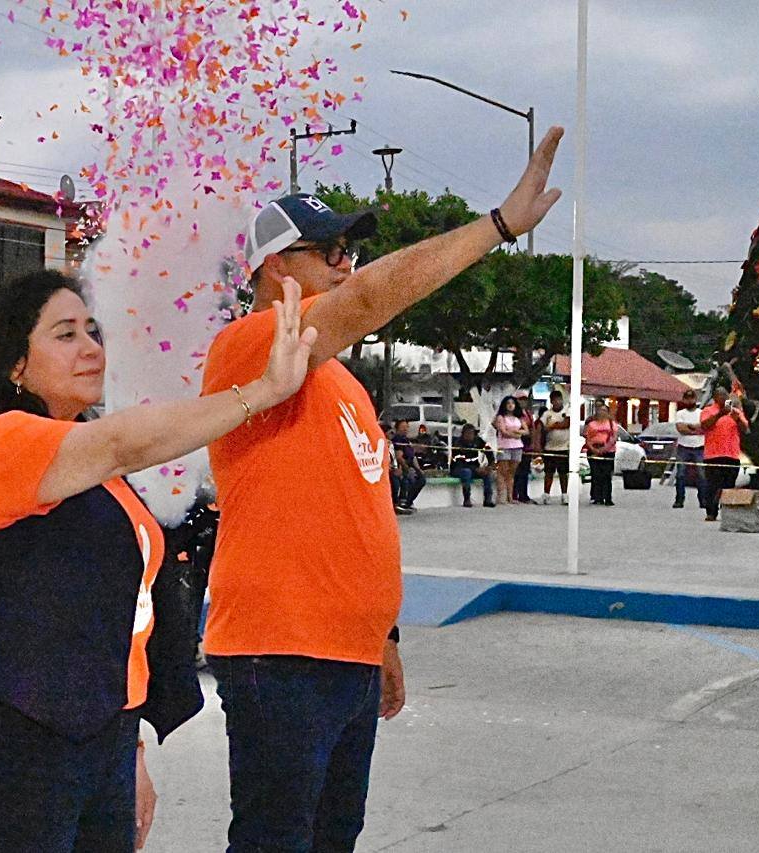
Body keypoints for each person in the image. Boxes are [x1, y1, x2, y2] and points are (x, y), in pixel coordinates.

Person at [202, 127, 564, 852]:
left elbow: (357, 513)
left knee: (335, 836)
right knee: (278, 839)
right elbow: (367, 300)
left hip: (346, 655)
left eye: (350, 251)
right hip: (280, 652)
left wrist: (382, 637)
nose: (346, 264)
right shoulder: (250, 347)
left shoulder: (341, 383)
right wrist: (496, 227)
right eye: (329, 250)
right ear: (275, 266)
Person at [0, 270, 318, 852]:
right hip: (18, 745)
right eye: (65, 335)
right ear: (14, 363)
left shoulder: (90, 468)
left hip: (102, 739)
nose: (92, 347)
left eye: (93, 330)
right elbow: (126, 441)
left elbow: (121, 621)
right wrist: (263, 390)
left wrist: (131, 749)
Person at [700, 385, 749, 522]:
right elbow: (705, 426)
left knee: (729, 485)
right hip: (713, 455)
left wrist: (737, 419)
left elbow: (746, 430)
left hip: (731, 455)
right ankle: (711, 512)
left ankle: (727, 511)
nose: (724, 398)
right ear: (715, 398)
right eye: (721, 396)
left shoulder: (735, 412)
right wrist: (720, 414)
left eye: (726, 396)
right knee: (712, 485)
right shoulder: (708, 411)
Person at [672, 388, 707, 510]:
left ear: (695, 399)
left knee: (702, 475)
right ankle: (679, 500)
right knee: (680, 474)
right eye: (687, 398)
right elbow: (681, 429)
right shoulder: (680, 413)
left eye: (691, 398)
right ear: (684, 400)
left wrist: (691, 429)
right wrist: (696, 429)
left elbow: (705, 428)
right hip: (683, 447)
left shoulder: (701, 413)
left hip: (699, 447)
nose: (689, 400)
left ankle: (703, 500)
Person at [493, 395, 529, 505]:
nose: (510, 405)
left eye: (512, 403)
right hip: (504, 446)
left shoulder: (519, 418)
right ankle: (502, 496)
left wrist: (515, 432)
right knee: (502, 471)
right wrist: (516, 433)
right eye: (508, 403)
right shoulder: (500, 417)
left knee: (511, 473)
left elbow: (526, 431)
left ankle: (510, 496)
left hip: (517, 446)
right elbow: (503, 431)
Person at [450, 424, 496, 507]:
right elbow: (459, 462)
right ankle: (467, 499)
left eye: (472, 433)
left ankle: (488, 499)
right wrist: (476, 469)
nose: (470, 436)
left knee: (487, 473)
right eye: (467, 433)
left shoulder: (478, 441)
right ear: (463, 434)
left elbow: (489, 451)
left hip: (474, 468)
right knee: (466, 472)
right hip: (458, 468)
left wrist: (490, 465)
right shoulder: (457, 443)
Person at [540, 390, 571, 505]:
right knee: (548, 473)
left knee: (563, 473)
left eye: (559, 399)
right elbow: (542, 427)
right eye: (554, 400)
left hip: (564, 448)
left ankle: (564, 495)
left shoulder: (567, 411)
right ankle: (546, 495)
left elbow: (566, 424)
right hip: (549, 447)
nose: (557, 402)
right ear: (551, 401)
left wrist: (553, 425)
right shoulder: (547, 414)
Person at [584, 401, 618, 506]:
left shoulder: (612, 424)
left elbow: (614, 437)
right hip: (593, 450)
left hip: (608, 451)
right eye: (600, 410)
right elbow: (587, 438)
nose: (602, 412)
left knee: (607, 475)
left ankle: (607, 497)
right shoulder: (591, 424)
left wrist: (605, 449)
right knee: (596, 474)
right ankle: (597, 497)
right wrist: (594, 449)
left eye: (604, 410)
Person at [391, 418, 426, 511]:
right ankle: (403, 501)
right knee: (408, 478)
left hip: (410, 465)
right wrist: (405, 467)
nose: (405, 429)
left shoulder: (406, 440)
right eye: (402, 427)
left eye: (406, 427)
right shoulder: (397, 440)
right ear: (397, 428)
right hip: (402, 466)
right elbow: (399, 457)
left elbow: (413, 456)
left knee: (422, 479)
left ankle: (409, 501)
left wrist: (419, 469)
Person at [512, 398, 537, 503]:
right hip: (516, 444)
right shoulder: (514, 415)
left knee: (525, 471)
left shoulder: (528, 414)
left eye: (525, 400)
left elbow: (532, 429)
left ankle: (523, 495)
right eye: (520, 400)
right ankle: (513, 494)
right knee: (515, 471)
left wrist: (533, 443)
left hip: (526, 446)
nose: (523, 403)